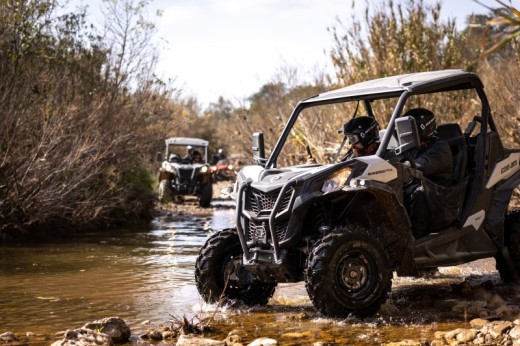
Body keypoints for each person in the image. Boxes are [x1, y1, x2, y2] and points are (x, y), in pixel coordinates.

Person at [403, 108, 453, 239]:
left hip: (439, 198)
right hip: (428, 195)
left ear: (423, 129)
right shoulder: (414, 148)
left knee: (419, 193)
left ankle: (415, 238)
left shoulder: (441, 148)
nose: (407, 134)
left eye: (410, 130)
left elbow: (423, 164)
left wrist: (406, 165)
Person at [306, 116, 381, 164]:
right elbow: (336, 174)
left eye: (353, 139)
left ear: (366, 138)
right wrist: (316, 167)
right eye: (349, 139)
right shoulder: (351, 156)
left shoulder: (384, 158)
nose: (351, 144)